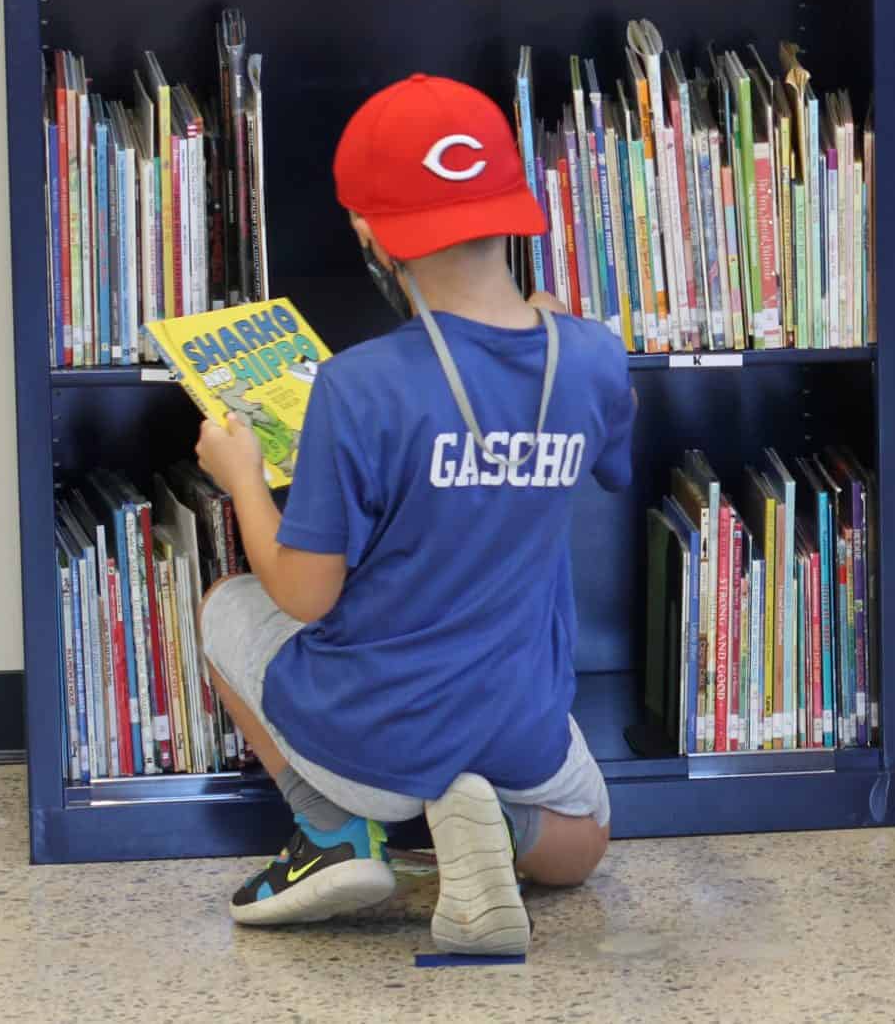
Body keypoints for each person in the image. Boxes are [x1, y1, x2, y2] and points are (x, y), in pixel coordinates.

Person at [196, 74, 635, 955]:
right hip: (516, 727)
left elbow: (306, 594)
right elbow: (606, 459)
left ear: (370, 233)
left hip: (369, 734)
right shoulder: (593, 358)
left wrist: (243, 480)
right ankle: (490, 825)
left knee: (224, 606)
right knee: (586, 836)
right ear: (514, 211)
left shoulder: (356, 386)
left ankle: (331, 831)